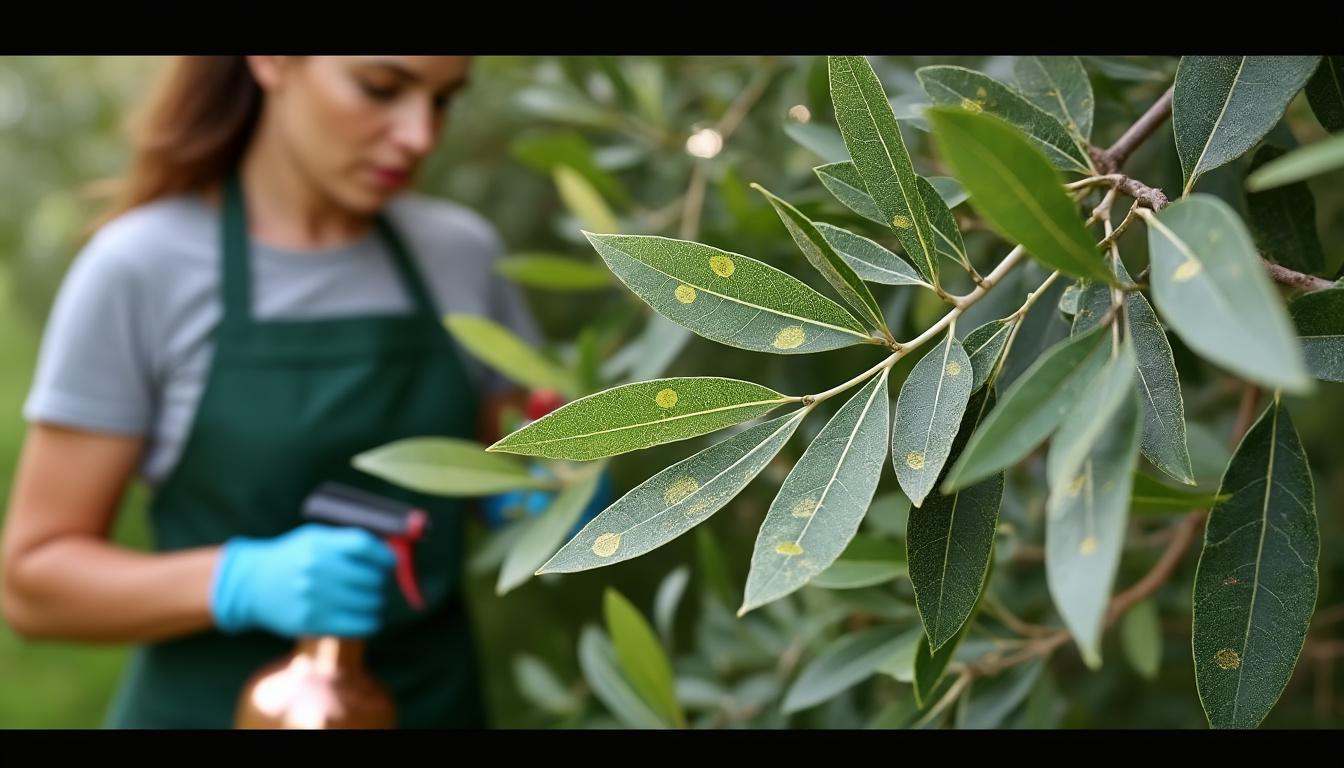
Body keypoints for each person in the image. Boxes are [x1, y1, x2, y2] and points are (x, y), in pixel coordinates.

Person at [0, 56, 549, 729]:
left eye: (443, 101)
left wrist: (547, 497)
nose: (419, 136)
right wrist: (234, 581)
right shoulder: (141, 269)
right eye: (381, 88)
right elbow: (33, 586)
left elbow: (512, 462)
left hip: (434, 705)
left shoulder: (460, 255)